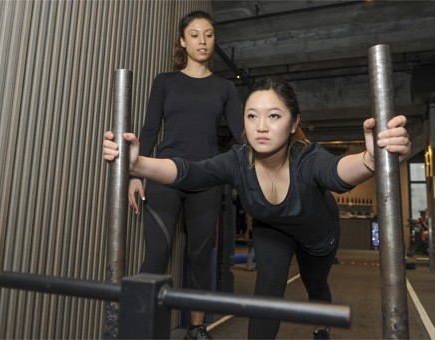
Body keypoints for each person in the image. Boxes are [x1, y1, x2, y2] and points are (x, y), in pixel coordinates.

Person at [104, 77, 411, 339]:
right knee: (266, 295)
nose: (261, 126)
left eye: (274, 116)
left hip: (317, 234)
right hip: (272, 231)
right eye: (252, 116)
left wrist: (372, 159)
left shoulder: (307, 158)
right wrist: (138, 164)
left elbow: (337, 171)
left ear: (294, 124)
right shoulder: (238, 161)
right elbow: (191, 172)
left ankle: (321, 331)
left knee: (316, 286)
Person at [127, 10, 243, 339]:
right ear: (183, 41)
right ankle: (139, 327)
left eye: (208, 34)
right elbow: (149, 130)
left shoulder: (224, 88)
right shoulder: (165, 81)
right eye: (195, 34)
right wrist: (135, 175)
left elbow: (241, 135)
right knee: (157, 254)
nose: (202, 40)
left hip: (205, 176)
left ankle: (196, 328)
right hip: (164, 174)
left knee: (200, 258)